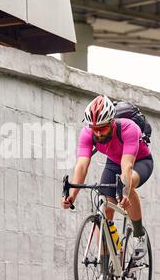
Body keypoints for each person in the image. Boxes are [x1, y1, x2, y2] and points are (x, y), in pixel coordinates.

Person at [61, 94, 154, 261]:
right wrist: (72, 195)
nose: (97, 133)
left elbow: (127, 165)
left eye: (102, 128)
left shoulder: (128, 128)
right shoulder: (88, 133)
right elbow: (82, 165)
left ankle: (139, 234)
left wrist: (124, 193)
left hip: (139, 161)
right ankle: (104, 269)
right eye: (94, 128)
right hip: (113, 163)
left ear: (112, 121)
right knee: (104, 213)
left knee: (128, 182)